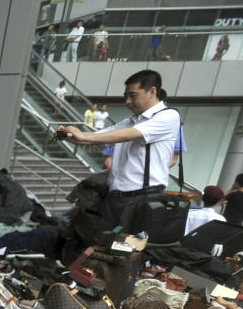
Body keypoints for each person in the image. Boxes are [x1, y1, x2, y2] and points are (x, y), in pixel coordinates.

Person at [56, 70, 180, 228]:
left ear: (152, 91)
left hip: (144, 198)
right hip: (115, 198)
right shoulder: (131, 121)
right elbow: (98, 137)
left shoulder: (168, 116)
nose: (128, 101)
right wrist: (70, 135)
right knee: (103, 246)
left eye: (133, 95)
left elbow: (129, 135)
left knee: (127, 249)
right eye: (126, 96)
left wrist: (84, 136)